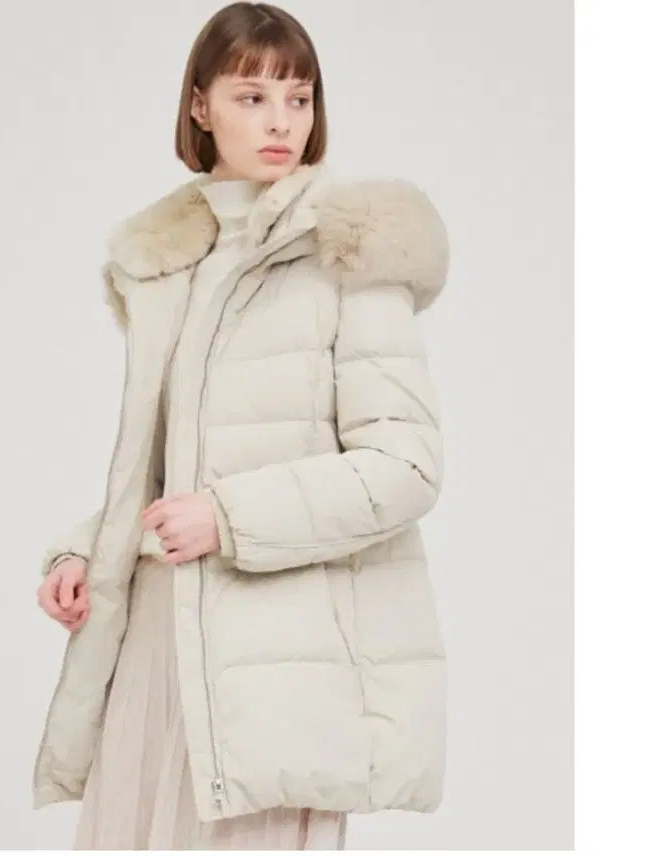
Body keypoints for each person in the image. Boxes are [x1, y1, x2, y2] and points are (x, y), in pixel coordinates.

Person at [33, 1, 450, 850]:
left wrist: (228, 518)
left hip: (279, 666)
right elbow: (163, 473)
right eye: (253, 97)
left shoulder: (349, 250)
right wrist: (84, 551)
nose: (281, 122)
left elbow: (406, 467)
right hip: (159, 644)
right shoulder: (170, 266)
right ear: (200, 106)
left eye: (298, 98)